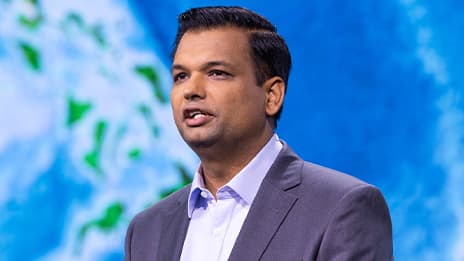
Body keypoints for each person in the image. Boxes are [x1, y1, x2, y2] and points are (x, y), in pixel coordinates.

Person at [124, 6, 393, 261]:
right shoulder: (146, 230)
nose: (191, 90)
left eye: (216, 73)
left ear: (272, 96)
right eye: (180, 76)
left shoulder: (342, 207)